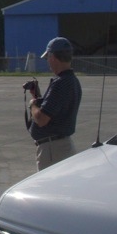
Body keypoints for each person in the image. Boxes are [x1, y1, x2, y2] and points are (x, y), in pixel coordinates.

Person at [26, 37, 82, 171]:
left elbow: (42, 119)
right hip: (60, 147)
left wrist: (33, 104)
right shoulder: (71, 80)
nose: (48, 62)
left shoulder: (60, 83)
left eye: (47, 58)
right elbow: (54, 109)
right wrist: (38, 97)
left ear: (53, 57)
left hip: (53, 150)